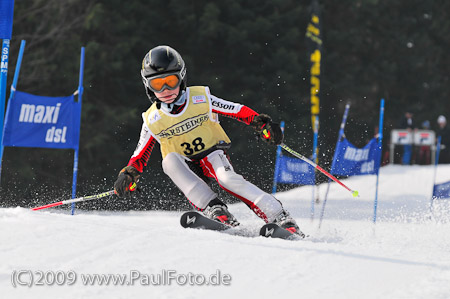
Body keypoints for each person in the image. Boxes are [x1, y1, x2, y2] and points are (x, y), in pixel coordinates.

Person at [113, 45, 304, 237]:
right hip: (185, 163)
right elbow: (140, 155)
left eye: (171, 81)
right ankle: (216, 210)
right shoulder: (152, 119)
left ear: (182, 78)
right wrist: (129, 175)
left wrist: (262, 124)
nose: (165, 90)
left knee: (227, 179)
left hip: (212, 154)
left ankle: (280, 217)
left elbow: (236, 109)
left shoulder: (199, 98)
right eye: (157, 85)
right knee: (168, 161)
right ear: (148, 86)